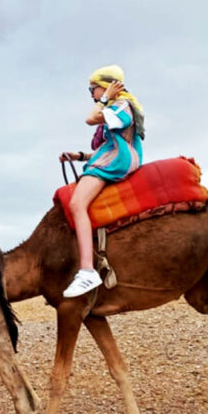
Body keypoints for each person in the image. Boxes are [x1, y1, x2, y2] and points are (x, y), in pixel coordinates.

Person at [60, 65, 145, 298]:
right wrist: (79, 156)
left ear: (106, 86)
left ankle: (87, 270)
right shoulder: (121, 108)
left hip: (114, 161)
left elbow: (90, 119)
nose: (92, 94)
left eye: (93, 89)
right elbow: (107, 145)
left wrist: (105, 98)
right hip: (112, 157)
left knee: (77, 204)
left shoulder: (122, 105)